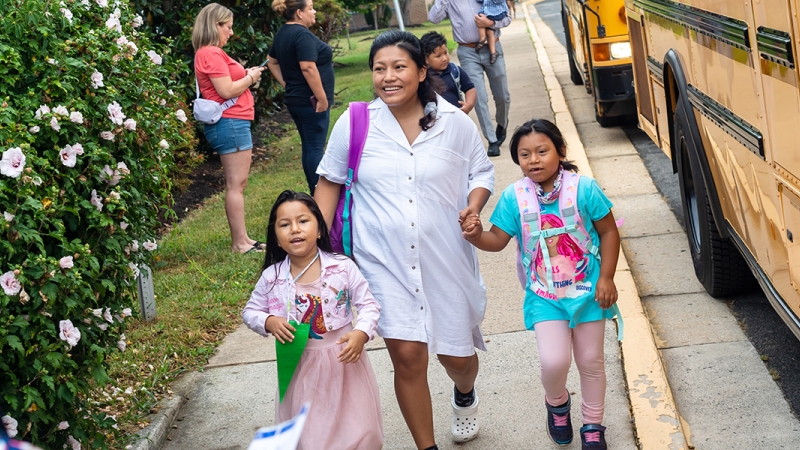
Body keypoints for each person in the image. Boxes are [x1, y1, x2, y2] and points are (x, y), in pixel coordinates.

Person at [314, 30, 495, 450]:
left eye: (398, 67)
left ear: (420, 71)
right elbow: (329, 183)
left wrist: (473, 205)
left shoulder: (453, 123)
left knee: (458, 358)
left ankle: (464, 392)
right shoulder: (356, 122)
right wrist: (317, 254)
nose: (388, 77)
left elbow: (481, 173)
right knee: (408, 357)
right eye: (379, 69)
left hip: (446, 259)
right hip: (382, 262)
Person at [460, 119, 621, 450]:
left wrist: (606, 277)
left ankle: (593, 425)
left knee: (591, 361)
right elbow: (497, 239)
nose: (533, 160)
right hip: (544, 296)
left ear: (560, 151)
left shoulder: (585, 189)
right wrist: (477, 236)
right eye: (524, 154)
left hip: (589, 293)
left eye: (542, 151)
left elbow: (608, 232)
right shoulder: (514, 197)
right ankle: (557, 403)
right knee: (553, 362)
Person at [242, 190, 383, 450]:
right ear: (276, 236)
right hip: (300, 366)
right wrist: (269, 321)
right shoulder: (272, 277)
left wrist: (361, 333)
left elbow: (369, 305)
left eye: (303, 221)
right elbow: (250, 311)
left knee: (361, 429)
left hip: (345, 362)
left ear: (319, 228)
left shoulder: (342, 267)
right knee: (313, 435)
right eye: (285, 224)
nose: (295, 229)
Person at [193, 3, 265, 254]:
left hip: (232, 122)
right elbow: (225, 91)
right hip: (230, 122)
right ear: (215, 25)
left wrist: (245, 74)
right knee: (236, 184)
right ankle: (239, 244)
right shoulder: (210, 53)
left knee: (238, 183)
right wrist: (250, 78)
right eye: (228, 27)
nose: (231, 33)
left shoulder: (211, 53)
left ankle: (244, 240)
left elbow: (225, 83)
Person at [429, 0, 511, 157]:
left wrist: (491, 22)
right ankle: (492, 140)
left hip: (493, 48)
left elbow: (507, 17)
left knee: (503, 96)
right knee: (479, 97)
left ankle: (502, 123)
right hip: (467, 51)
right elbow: (433, 18)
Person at [268, 0, 334, 195]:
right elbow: (308, 67)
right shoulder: (301, 34)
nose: (314, 12)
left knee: (309, 146)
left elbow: (272, 62)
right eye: (310, 8)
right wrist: (321, 98)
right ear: (299, 13)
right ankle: (320, 195)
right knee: (315, 147)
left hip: (296, 99)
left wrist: (287, 84)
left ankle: (315, 191)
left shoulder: (283, 32)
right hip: (310, 101)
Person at [419, 31, 477, 114]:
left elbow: (470, 88)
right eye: (438, 56)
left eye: (445, 53)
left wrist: (469, 105)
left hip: (457, 115)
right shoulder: (423, 76)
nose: (444, 58)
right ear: (426, 59)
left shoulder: (454, 70)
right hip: (435, 120)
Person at [474, 0, 510, 64]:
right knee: (489, 31)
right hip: (490, 11)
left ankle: (482, 39)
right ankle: (493, 52)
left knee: (480, 19)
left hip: (496, 12)